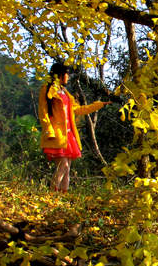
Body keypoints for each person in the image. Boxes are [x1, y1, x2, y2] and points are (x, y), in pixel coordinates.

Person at [37, 62, 108, 192]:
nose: (68, 77)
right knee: (62, 165)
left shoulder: (65, 93)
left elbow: (79, 109)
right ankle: (52, 195)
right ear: (60, 75)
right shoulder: (47, 90)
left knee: (67, 167)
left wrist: (99, 105)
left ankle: (63, 195)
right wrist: (49, 130)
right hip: (57, 134)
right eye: (67, 74)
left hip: (69, 135)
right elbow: (43, 112)